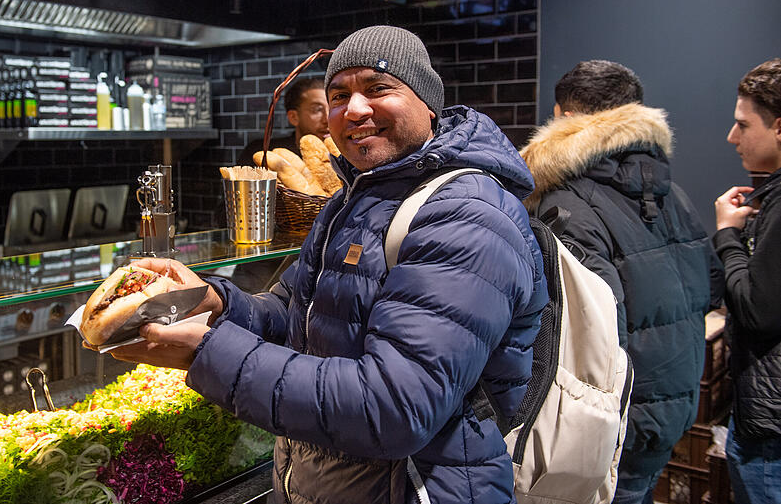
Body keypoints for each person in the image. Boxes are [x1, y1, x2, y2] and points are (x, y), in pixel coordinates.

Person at [112, 26, 549, 504]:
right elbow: (295, 315)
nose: (354, 109)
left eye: (379, 88)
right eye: (339, 95)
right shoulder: (353, 199)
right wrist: (213, 301)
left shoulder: (466, 214)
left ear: (428, 103)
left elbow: (394, 408)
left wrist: (208, 352)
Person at [519, 60, 724, 504]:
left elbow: (581, 332)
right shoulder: (672, 192)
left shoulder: (566, 200)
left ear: (564, 118)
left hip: (613, 427)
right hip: (670, 409)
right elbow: (711, 284)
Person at [712, 58, 781, 504]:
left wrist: (728, 235)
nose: (732, 137)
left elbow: (758, 310)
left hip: (771, 426)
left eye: (743, 125)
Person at [236, 76, 328, 165]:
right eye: (317, 109)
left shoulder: (340, 157)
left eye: (332, 108)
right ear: (293, 117)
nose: (327, 119)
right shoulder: (264, 153)